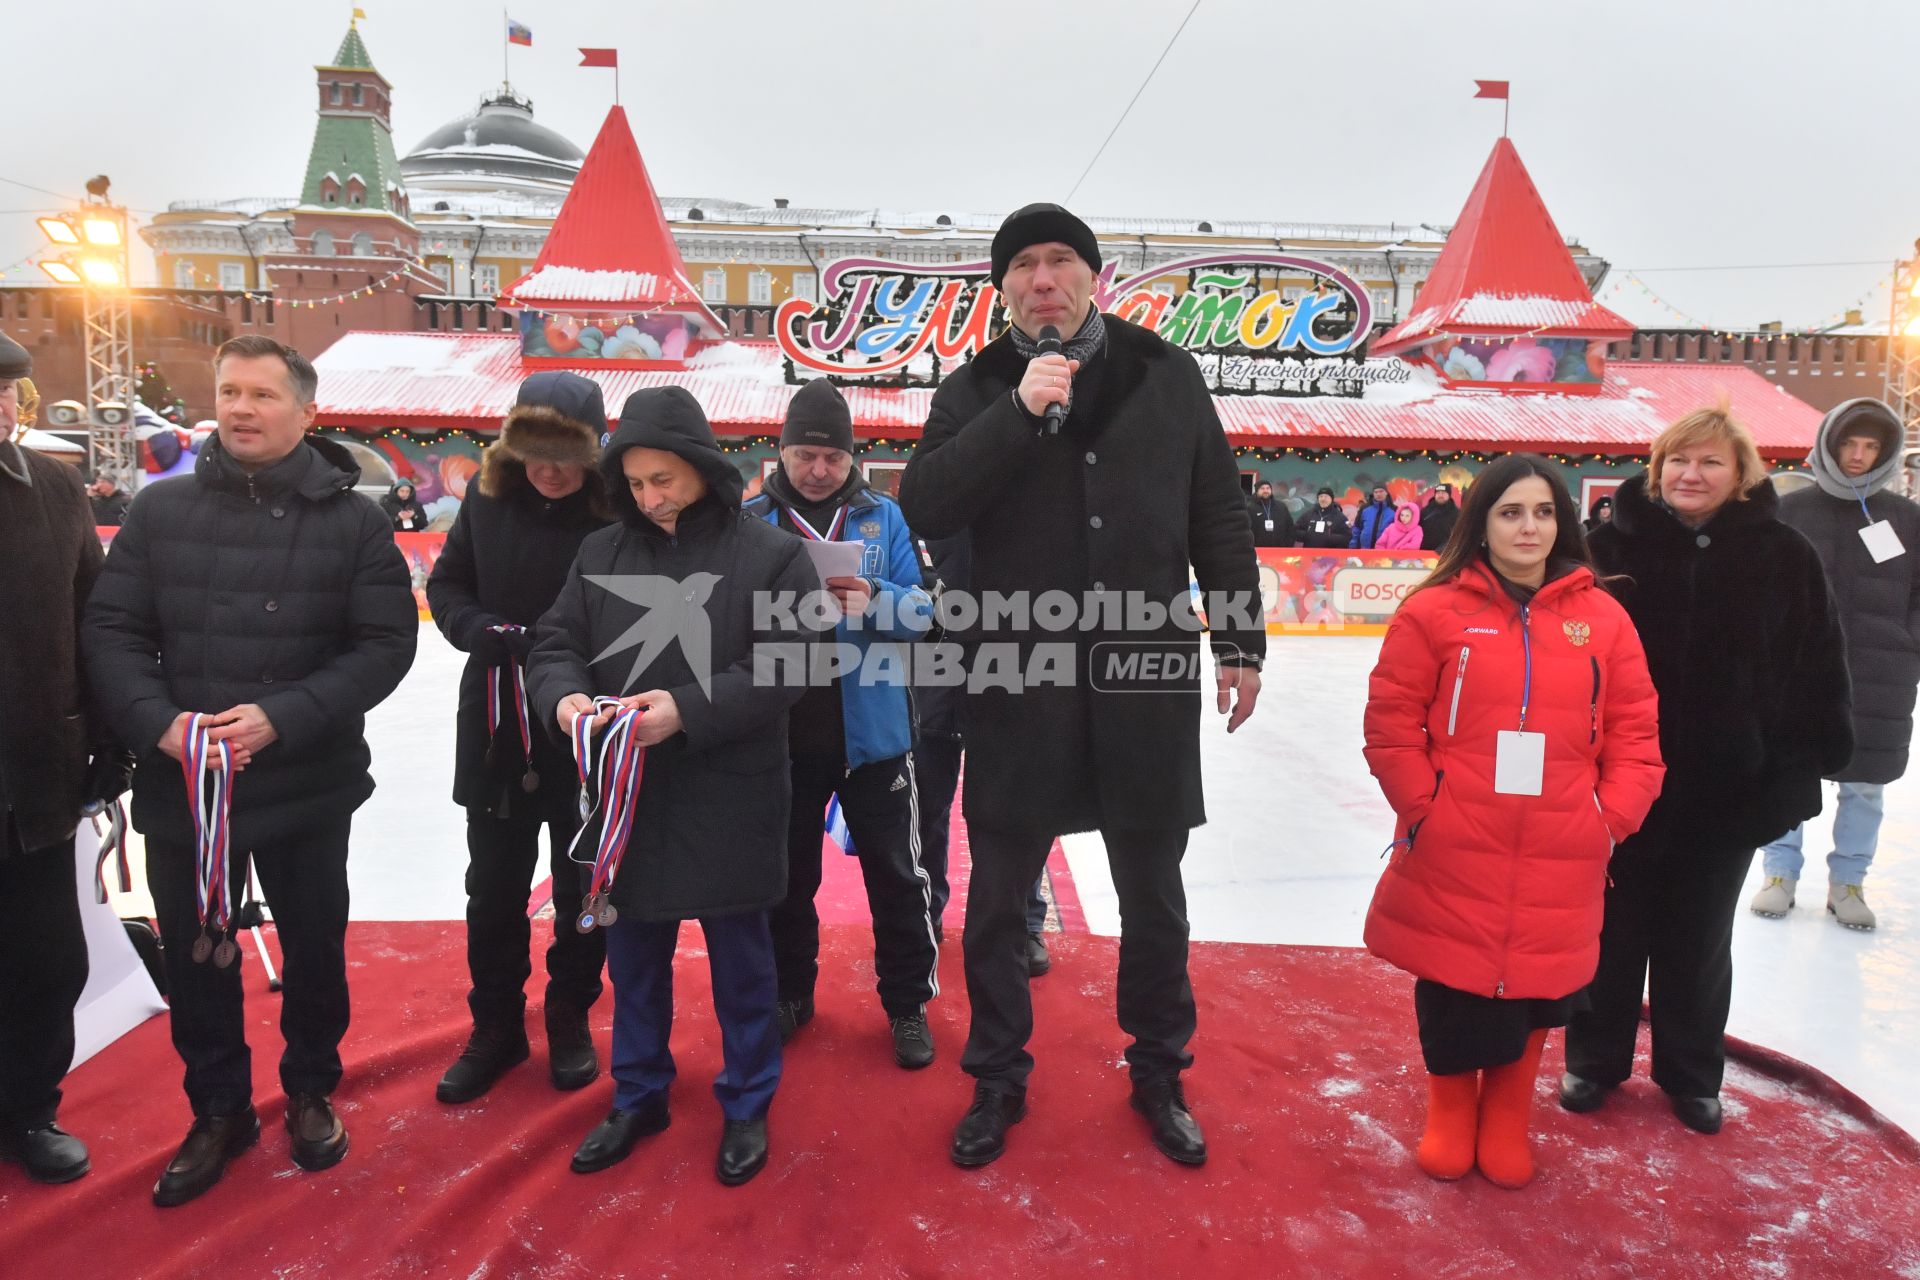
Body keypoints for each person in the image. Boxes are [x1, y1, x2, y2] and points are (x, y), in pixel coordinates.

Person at [901, 202, 1264, 1168]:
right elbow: (928, 504)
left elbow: (1217, 513)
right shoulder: (975, 387)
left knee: (1155, 897)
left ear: (1093, 276)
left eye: (1062, 259)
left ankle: (1158, 1068)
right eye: (1024, 264)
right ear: (1004, 288)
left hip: (1144, 682)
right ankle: (997, 1079)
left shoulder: (1165, 374)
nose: (1045, 278)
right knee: (997, 903)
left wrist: (1240, 639)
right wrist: (1018, 414)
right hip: (1019, 682)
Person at [83, 336, 418, 1206]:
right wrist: (159, 727)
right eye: (230, 391)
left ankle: (311, 1089)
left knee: (313, 946)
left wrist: (284, 716)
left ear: (306, 412)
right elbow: (112, 633)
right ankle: (218, 1108)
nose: (241, 409)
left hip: (305, 782)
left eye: (263, 395)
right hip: (182, 782)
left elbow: (384, 646)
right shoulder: (162, 514)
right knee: (199, 956)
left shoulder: (355, 521)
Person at [526, 387, 817, 1187]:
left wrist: (684, 711)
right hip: (629, 799)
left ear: (700, 468)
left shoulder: (772, 555)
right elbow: (554, 643)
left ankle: (748, 1100)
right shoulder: (600, 553)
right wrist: (565, 699)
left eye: (665, 479)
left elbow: (791, 663)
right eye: (637, 482)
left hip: (733, 791)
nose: (651, 498)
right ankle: (640, 1093)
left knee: (743, 967)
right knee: (634, 960)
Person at [1363, 454, 1664, 1188]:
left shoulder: (1604, 618)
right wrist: (1425, 806)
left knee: (1537, 988)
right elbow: (1392, 722)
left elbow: (1636, 734)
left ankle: (1505, 1119)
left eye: (1542, 512)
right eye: (1510, 512)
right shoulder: (1433, 612)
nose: (1528, 527)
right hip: (1458, 836)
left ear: (1561, 522)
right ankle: (1450, 1113)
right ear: (1483, 523)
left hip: (1565, 843)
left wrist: (1609, 818)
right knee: (1453, 980)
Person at [1560, 408, 1851, 1136]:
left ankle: (1691, 1073)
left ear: (1742, 473)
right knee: (1611, 931)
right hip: (1620, 786)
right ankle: (1595, 1060)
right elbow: (1564, 665)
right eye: (1679, 461)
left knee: (1699, 938)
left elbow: (1819, 661)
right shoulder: (1606, 547)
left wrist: (1804, 759)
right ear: (1658, 468)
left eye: (1711, 463)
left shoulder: (1785, 554)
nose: (1692, 475)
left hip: (1730, 787)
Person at [426, 372, 614, 1104]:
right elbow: (447, 587)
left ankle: (569, 1015)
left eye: (565, 454)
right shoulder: (487, 498)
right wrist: (482, 631)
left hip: (585, 723)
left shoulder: (613, 513)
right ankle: (496, 1026)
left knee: (582, 885)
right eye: (535, 452)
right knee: (494, 888)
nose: (549, 469)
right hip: (498, 718)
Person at [742, 379, 939, 1068]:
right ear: (783, 452)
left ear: (851, 458)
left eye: (832, 457)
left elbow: (925, 615)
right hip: (782, 740)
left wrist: (876, 598)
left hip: (875, 740)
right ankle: (791, 994)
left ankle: (908, 1004)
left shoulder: (883, 518)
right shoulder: (751, 520)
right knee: (786, 880)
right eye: (805, 455)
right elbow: (722, 622)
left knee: (897, 878)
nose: (819, 470)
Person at [0, 331, 134, 1184]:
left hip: (34, 781)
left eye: (9, 392)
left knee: (47, 959)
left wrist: (106, 742)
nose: (4, 406)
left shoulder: (50, 488)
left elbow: (95, 622)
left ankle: (28, 1110)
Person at [1758, 399, 1920, 931]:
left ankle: (1848, 882)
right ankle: (1780, 873)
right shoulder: (1791, 510)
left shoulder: (1907, 519)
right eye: (1848, 443)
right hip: (1799, 670)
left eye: (1870, 445)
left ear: (1887, 451)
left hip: (1880, 671)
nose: (1857, 455)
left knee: (1866, 783)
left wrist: (1906, 644)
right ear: (1828, 443)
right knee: (1788, 767)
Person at [913, 531, 1053, 975]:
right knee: (925, 809)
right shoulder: (928, 504)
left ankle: (1022, 922)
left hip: (1014, 678)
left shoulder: (1033, 503)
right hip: (933, 676)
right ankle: (924, 915)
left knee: (1018, 811)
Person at [1248, 480, 1295, 548]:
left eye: (1268, 488)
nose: (1265, 491)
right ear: (1257, 491)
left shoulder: (1281, 507)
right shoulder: (1250, 508)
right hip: (1256, 549)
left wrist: (1288, 545)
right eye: (1262, 488)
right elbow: (1244, 529)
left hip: (1280, 549)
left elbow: (1290, 527)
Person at [1349, 484, 1395, 549]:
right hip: (1364, 551)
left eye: (1381, 491)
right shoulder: (1364, 508)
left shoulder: (1394, 510)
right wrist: (1353, 546)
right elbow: (1357, 528)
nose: (1378, 494)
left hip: (1385, 552)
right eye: (1376, 492)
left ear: (1386, 493)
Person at [1419, 483, 1458, 551]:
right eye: (1438, 493)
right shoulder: (1425, 511)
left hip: (1446, 553)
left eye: (1443, 493)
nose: (1440, 495)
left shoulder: (1457, 513)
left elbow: (1458, 534)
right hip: (1426, 553)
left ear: (1449, 495)